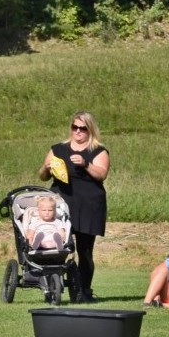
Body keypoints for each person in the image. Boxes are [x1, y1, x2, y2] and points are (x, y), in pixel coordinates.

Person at [38, 111, 110, 303]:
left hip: (88, 205)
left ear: (90, 130)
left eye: (83, 128)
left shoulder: (98, 150)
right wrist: (46, 167)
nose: (78, 132)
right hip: (62, 205)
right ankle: (53, 289)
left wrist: (86, 164)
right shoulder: (58, 149)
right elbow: (43, 176)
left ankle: (84, 291)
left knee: (85, 250)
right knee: (56, 247)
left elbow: (102, 174)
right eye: (74, 127)